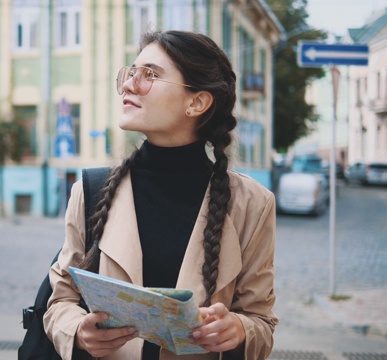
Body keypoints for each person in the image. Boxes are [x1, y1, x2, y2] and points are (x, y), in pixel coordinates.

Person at [44, 30, 278, 360]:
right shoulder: (92, 190)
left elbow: (261, 323)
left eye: (150, 75)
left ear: (196, 102)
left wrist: (237, 329)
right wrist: (78, 331)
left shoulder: (252, 204)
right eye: (131, 72)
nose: (128, 84)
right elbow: (60, 302)